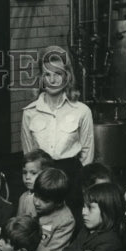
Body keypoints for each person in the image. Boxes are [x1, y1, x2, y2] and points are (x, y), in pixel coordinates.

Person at [21, 45, 94, 220]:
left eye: (58, 74)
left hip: (72, 179)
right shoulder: (29, 112)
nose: (52, 80)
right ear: (41, 78)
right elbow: (29, 154)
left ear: (67, 77)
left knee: (72, 225)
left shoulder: (82, 111)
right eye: (47, 74)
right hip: (42, 177)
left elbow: (87, 155)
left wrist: (80, 186)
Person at [32, 167, 76, 251]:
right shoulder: (30, 201)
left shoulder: (66, 221)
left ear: (58, 203)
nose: (36, 203)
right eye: (36, 195)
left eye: (45, 200)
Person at [17, 150, 52, 217]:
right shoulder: (23, 197)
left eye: (33, 173)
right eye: (24, 172)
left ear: (46, 174)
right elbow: (19, 222)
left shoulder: (51, 198)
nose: (27, 177)